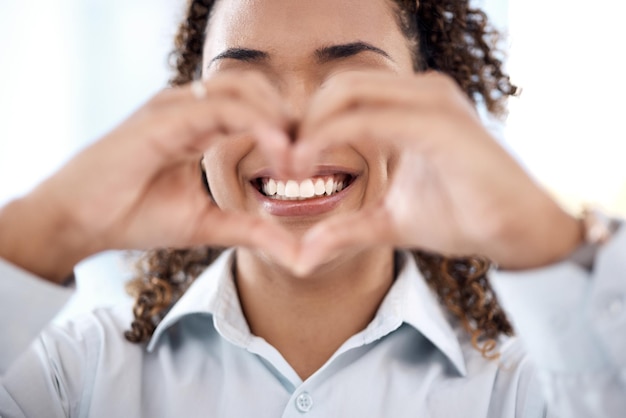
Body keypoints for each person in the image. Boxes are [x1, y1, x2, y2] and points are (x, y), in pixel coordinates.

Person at [0, 0, 624, 416]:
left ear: (436, 109)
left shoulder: (531, 390)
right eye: (241, 85)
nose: (295, 128)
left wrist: (546, 242)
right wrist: (51, 226)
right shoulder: (71, 379)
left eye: (354, 83)